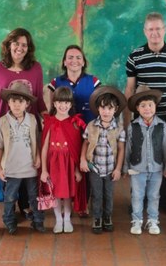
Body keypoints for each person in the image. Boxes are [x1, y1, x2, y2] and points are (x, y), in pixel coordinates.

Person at [124, 12, 166, 215]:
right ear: (145, 31)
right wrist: (127, 117)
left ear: (164, 30)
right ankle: (139, 199)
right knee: (139, 157)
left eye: (158, 28)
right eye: (150, 29)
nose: (154, 33)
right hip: (142, 118)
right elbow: (130, 89)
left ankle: (164, 200)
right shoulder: (135, 57)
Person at [0, 28, 47, 219]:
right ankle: (10, 207)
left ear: (28, 48)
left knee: (28, 166)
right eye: (16, 43)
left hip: (29, 126)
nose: (20, 48)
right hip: (5, 127)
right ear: (9, 45)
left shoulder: (35, 68)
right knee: (8, 166)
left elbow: (39, 98)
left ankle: (26, 205)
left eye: (24, 45)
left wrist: (47, 118)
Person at [48, 45, 101, 217]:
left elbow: (103, 101)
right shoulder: (57, 82)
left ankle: (83, 202)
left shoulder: (93, 81)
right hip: (65, 132)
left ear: (84, 61)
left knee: (85, 167)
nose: (74, 60)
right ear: (64, 61)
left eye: (78, 57)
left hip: (87, 131)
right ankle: (67, 201)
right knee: (67, 166)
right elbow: (47, 100)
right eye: (70, 57)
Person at [0, 81, 45, 234]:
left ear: (27, 104)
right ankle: (9, 221)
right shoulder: (3, 121)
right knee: (10, 197)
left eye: (21, 101)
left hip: (30, 167)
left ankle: (38, 221)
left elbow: (36, 140)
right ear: (8, 102)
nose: (17, 105)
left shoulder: (32, 119)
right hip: (11, 168)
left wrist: (37, 157)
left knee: (34, 196)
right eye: (13, 101)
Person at [123, 85, 166, 235]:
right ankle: (136, 220)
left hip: (156, 168)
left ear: (155, 106)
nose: (147, 109)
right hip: (137, 168)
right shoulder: (133, 126)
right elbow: (128, 148)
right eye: (143, 106)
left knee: (153, 195)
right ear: (137, 108)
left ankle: (152, 220)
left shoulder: (162, 126)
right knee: (137, 195)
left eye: (150, 105)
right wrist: (125, 167)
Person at [79, 86, 127, 234]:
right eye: (103, 108)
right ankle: (97, 218)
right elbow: (86, 143)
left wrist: (118, 168)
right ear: (98, 109)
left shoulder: (118, 128)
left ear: (116, 109)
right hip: (95, 167)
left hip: (110, 169)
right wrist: (83, 160)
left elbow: (120, 149)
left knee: (108, 194)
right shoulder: (91, 126)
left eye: (110, 108)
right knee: (96, 194)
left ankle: (107, 217)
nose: (106, 111)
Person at [40, 87, 86, 234]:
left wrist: (77, 170)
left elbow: (77, 150)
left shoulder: (75, 123)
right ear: (54, 103)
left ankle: (67, 219)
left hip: (69, 165)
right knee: (56, 194)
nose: (62, 105)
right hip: (53, 164)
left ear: (71, 104)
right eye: (59, 102)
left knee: (66, 194)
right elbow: (44, 147)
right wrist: (44, 170)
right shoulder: (49, 122)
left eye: (66, 102)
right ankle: (58, 221)